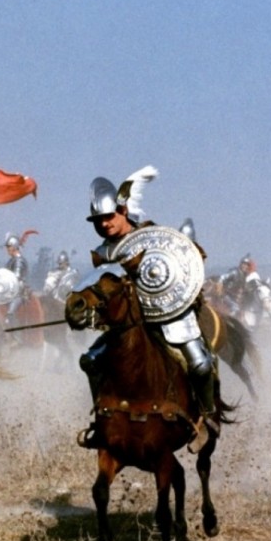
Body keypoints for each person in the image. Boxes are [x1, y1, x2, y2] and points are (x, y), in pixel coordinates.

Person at [79, 172, 219, 452]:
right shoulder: (102, 254)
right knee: (90, 360)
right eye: (98, 221)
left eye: (108, 217)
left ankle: (206, 419)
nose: (104, 224)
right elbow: (104, 293)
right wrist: (93, 313)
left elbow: (187, 260)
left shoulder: (153, 237)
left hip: (171, 318)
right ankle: (101, 421)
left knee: (201, 364)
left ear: (123, 210)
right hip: (128, 325)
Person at [3, 233, 31, 325]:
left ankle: (12, 323)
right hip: (10, 288)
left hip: (19, 290)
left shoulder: (19, 260)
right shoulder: (11, 260)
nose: (7, 249)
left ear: (14, 246)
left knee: (11, 310)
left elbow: (16, 276)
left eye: (9, 246)